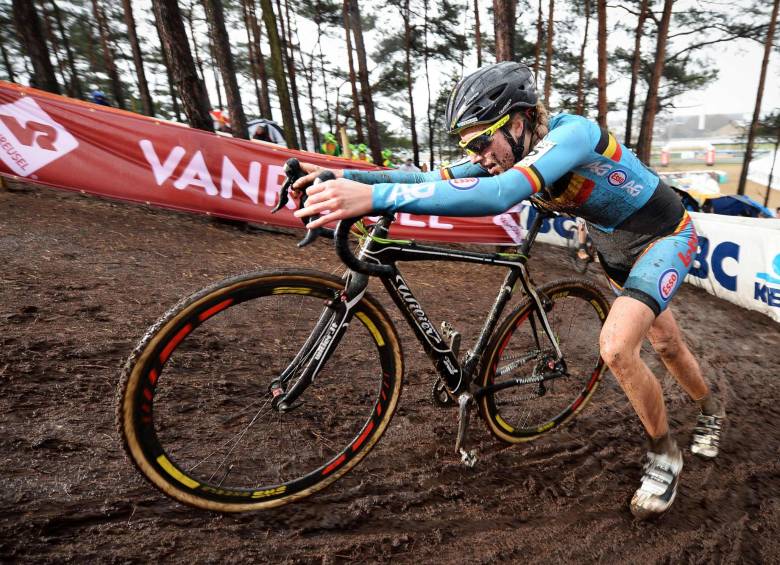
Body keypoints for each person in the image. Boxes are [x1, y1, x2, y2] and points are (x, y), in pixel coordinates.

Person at [292, 61, 726, 520]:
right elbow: (428, 180)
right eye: (468, 145)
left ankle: (667, 452)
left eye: (481, 141)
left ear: (518, 122)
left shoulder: (573, 133)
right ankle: (710, 408)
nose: (477, 154)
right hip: (613, 248)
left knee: (619, 348)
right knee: (665, 342)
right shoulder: (509, 149)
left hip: (664, 237)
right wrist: (338, 175)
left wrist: (377, 199)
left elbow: (499, 195)